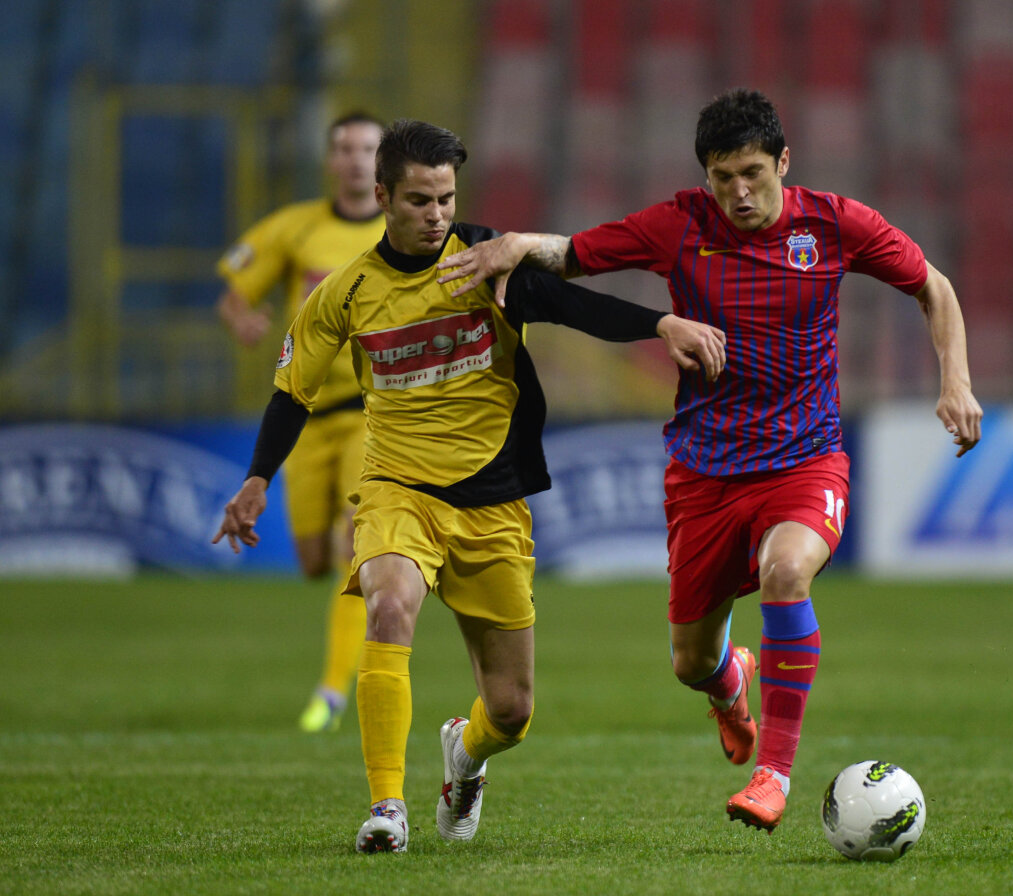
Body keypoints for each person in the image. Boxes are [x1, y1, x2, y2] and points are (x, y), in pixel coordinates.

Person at [436, 87, 983, 833]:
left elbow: (933, 287)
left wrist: (955, 380)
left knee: (788, 571)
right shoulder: (679, 225)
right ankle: (732, 682)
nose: (739, 191)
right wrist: (513, 245)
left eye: (753, 172)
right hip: (703, 474)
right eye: (722, 177)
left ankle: (774, 776)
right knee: (691, 662)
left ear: (784, 161)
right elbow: (573, 255)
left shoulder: (835, 225)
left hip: (804, 460)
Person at [212, 118, 727, 853]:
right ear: (384, 196)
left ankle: (465, 756)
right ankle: (388, 807)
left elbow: (570, 305)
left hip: (491, 501)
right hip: (399, 489)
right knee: (387, 605)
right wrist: (258, 478)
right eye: (420, 200)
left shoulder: (486, 262)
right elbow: (292, 392)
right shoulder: (346, 293)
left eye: (447, 199)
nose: (437, 216)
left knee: (512, 711)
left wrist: (661, 324)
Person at [215, 112, 384, 733]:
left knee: (352, 549)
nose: (356, 159)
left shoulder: (401, 231)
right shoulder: (297, 227)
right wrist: (242, 320)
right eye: (344, 147)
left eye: (368, 147)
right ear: (329, 159)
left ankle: (332, 693)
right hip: (304, 419)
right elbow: (236, 288)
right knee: (313, 559)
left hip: (372, 416)